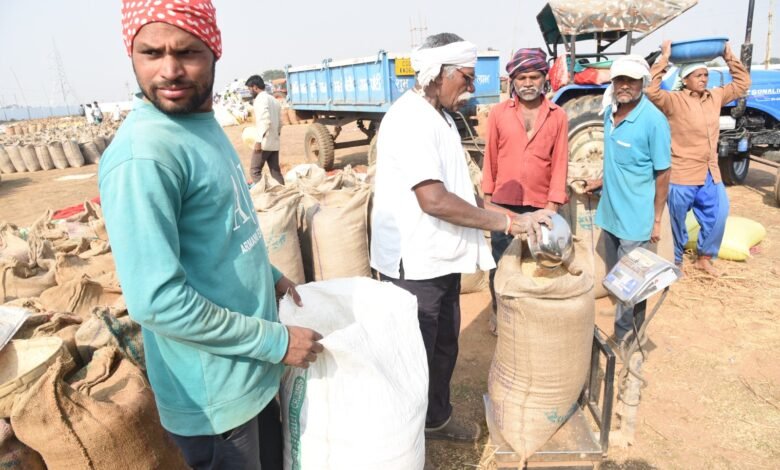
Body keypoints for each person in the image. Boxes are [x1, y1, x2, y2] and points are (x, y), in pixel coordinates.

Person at [99, 2, 323, 468]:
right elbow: (157, 301)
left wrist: (270, 274)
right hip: (216, 397)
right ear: (131, 56)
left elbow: (225, 230)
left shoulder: (201, 126)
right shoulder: (145, 156)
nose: (169, 70)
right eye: (150, 53)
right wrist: (277, 342)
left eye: (187, 52)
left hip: (250, 370)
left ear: (214, 51)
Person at [370, 32, 553, 446]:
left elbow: (461, 192)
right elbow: (433, 200)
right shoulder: (410, 119)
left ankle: (435, 420)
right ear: (439, 73)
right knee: (413, 358)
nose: (472, 87)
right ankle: (407, 441)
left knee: (442, 349)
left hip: (441, 255)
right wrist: (506, 226)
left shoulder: (443, 118)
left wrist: (519, 216)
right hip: (413, 261)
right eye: (467, 78)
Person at [583, 55, 671, 343]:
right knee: (617, 278)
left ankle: (628, 340)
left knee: (632, 285)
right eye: (619, 79)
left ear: (642, 83)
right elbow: (622, 162)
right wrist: (600, 182)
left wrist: (656, 221)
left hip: (636, 219)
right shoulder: (611, 112)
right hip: (610, 214)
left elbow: (663, 173)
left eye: (631, 80)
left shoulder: (653, 121)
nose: (624, 86)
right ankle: (625, 328)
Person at [482, 47, 569, 334]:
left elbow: (559, 164)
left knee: (537, 263)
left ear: (544, 78)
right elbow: (490, 158)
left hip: (540, 206)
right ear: (512, 81)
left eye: (534, 76)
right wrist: (487, 201)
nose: (528, 83)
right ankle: (499, 311)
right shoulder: (498, 114)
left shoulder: (558, 116)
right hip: (503, 204)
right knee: (501, 261)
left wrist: (552, 208)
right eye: (522, 78)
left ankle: (531, 315)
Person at [646, 40, 750, 276]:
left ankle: (704, 257)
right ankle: (675, 259)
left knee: (719, 212)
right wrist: (664, 58)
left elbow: (743, 83)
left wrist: (729, 57)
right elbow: (651, 90)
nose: (704, 79)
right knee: (675, 219)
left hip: (710, 171)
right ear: (685, 79)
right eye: (698, 75)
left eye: (706, 74)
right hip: (681, 172)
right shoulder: (673, 101)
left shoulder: (715, 97)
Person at [245, 75, 283, 184]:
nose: (249, 92)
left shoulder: (260, 99)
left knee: (254, 171)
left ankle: (265, 193)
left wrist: (258, 141)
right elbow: (280, 123)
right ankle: (283, 194)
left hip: (264, 142)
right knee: (275, 172)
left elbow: (264, 120)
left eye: (249, 89)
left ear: (255, 87)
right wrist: (276, 135)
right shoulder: (273, 100)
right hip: (274, 141)